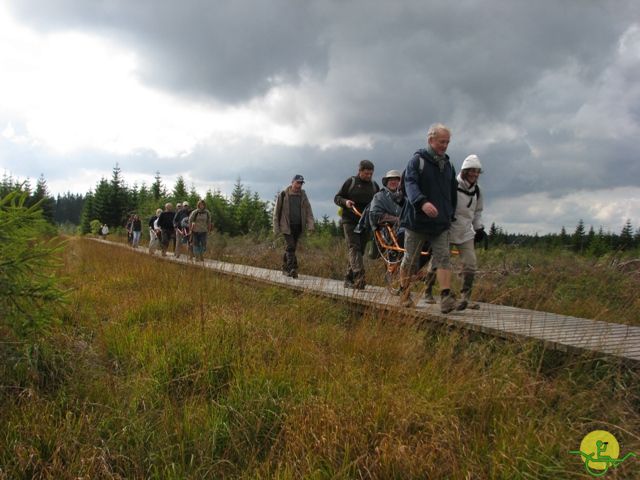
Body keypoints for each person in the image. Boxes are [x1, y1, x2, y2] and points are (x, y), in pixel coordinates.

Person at [399, 123, 459, 312]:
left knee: (443, 258)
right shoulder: (417, 162)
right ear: (431, 140)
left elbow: (452, 193)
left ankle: (446, 297)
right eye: (442, 142)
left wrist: (450, 214)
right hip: (417, 222)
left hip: (440, 223)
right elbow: (410, 185)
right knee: (411, 259)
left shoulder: (448, 165)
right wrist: (422, 202)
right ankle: (405, 293)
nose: (445, 146)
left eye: (447, 142)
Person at [424, 154, 485, 310]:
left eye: (477, 172)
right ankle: (428, 290)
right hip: (448, 230)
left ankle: (465, 298)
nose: (474, 174)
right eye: (471, 171)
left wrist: (479, 229)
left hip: (466, 233)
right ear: (464, 171)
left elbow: (477, 212)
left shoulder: (477, 191)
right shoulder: (452, 186)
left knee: (470, 265)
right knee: (437, 262)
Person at [334, 160, 379, 289]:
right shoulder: (351, 182)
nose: (369, 176)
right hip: (350, 220)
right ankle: (360, 277)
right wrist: (346, 201)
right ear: (359, 171)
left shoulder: (374, 186)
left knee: (360, 250)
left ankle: (348, 278)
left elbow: (380, 201)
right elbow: (337, 198)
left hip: (365, 222)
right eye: (366, 173)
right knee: (354, 247)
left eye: (371, 173)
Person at [273, 174, 315, 278]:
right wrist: (276, 227)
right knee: (291, 246)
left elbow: (308, 211)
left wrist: (311, 225)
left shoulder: (303, 196)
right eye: (297, 183)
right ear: (292, 182)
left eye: (301, 183)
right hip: (286, 226)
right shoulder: (283, 194)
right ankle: (292, 268)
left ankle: (285, 267)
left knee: (291, 248)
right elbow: (276, 212)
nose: (299, 185)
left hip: (298, 226)